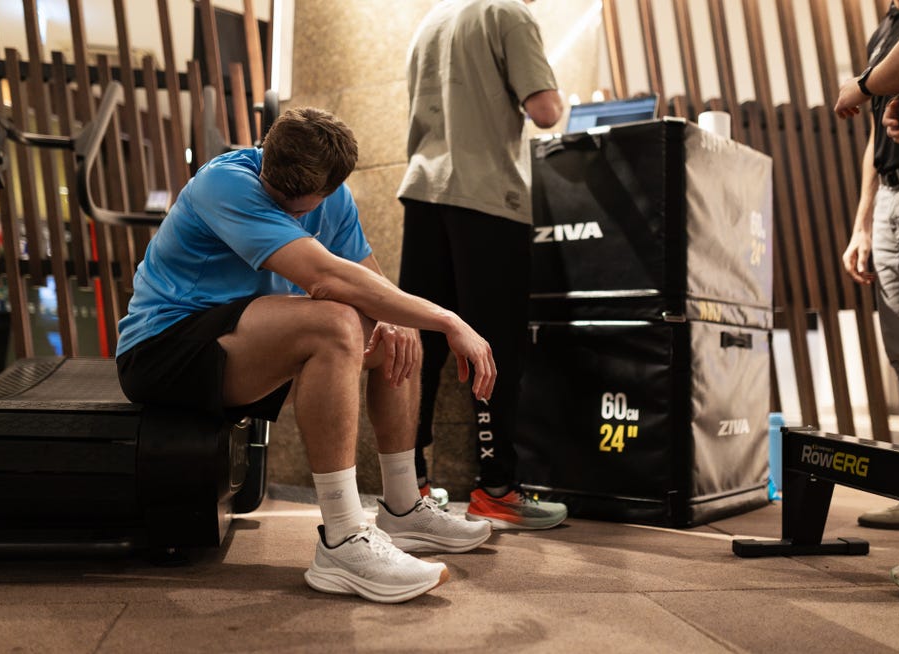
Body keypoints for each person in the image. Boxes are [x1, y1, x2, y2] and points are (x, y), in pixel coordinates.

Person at [116, 106, 497, 604]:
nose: (288, 209)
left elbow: (370, 281)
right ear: (266, 156)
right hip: (162, 350)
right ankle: (341, 539)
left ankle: (404, 508)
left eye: (300, 207)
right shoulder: (224, 184)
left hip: (238, 337)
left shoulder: (334, 200)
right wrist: (449, 318)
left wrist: (399, 316)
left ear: (331, 187)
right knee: (338, 322)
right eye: (278, 197)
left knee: (397, 328)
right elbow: (326, 279)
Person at [396, 0, 568, 529]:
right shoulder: (509, 14)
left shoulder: (431, 21)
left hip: (424, 192)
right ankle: (496, 489)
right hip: (486, 198)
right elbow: (545, 111)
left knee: (418, 344)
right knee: (493, 343)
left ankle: (410, 486)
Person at [830, 0, 899, 532]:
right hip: (889, 197)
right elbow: (874, 139)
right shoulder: (884, 29)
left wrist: (864, 84)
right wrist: (862, 222)